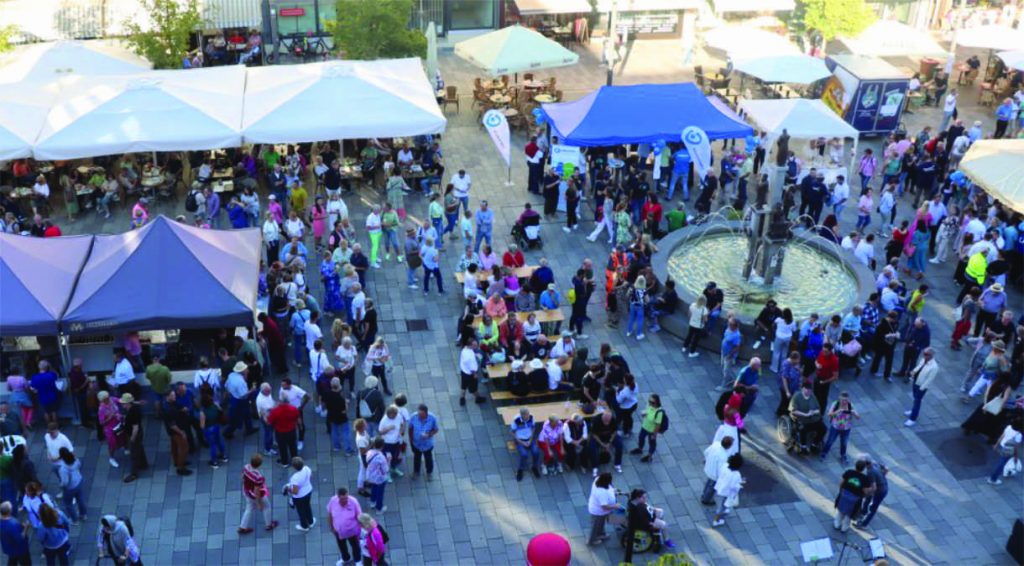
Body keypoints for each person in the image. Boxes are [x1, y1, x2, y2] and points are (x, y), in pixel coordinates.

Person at [239, 454, 278, 534]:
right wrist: (258, 503)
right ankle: (269, 525)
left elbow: (242, 477)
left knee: (249, 508)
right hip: (255, 495)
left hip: (247, 491)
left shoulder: (246, 467)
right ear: (259, 465)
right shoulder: (258, 477)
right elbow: (257, 491)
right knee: (267, 507)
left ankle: (243, 527)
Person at [834, 460, 875, 532]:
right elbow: (865, 491)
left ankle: (837, 524)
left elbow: (841, 483)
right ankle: (844, 528)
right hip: (855, 499)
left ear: (855, 465)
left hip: (844, 495)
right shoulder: (865, 478)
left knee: (840, 510)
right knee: (849, 514)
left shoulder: (849, 472)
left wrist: (841, 492)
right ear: (863, 469)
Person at [819, 392, 860, 465]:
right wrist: (838, 411)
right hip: (835, 427)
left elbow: (858, 417)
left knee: (844, 443)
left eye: (846, 400)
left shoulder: (850, 405)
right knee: (830, 441)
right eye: (843, 400)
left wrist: (854, 413)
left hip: (846, 428)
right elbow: (829, 414)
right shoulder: (835, 404)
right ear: (839, 399)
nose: (844, 402)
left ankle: (843, 455)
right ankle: (824, 453)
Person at [327, 487, 363, 565]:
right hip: (338, 531)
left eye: (346, 498)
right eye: (342, 499)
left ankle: (358, 560)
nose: (345, 501)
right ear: (338, 497)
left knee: (355, 546)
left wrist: (360, 531)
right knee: (341, 546)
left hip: (352, 531)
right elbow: (330, 515)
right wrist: (332, 528)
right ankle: (346, 558)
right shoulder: (333, 501)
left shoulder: (354, 502)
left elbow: (360, 517)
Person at [904, 348, 938, 427]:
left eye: (926, 354)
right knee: (915, 398)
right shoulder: (923, 359)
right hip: (916, 381)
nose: (924, 355)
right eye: (924, 353)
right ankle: (913, 411)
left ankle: (912, 419)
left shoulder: (934, 367)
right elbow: (919, 366)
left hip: (921, 386)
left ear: (931, 355)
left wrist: (921, 388)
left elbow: (929, 380)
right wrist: (913, 372)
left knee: (917, 401)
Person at [789, 382, 824, 454]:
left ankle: (814, 444)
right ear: (802, 389)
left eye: (810, 390)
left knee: (823, 429)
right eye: (806, 390)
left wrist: (813, 412)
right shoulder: (797, 396)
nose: (808, 392)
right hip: (802, 419)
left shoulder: (812, 396)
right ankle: (803, 447)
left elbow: (818, 409)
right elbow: (793, 411)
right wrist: (805, 415)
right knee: (803, 430)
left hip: (813, 418)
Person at [267, 390, 301, 466]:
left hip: (280, 432)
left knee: (282, 447)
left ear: (280, 401)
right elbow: (297, 418)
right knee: (293, 446)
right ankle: (295, 461)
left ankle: (285, 462)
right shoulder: (293, 409)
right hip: (291, 430)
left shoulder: (275, 411)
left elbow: (269, 422)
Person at [586, 472, 620, 546]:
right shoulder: (601, 492)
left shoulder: (598, 480)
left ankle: (601, 534)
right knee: (595, 526)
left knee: (601, 523)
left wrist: (613, 491)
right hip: (598, 512)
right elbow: (604, 506)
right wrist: (615, 506)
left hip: (602, 512)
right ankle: (592, 540)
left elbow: (609, 488)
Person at [987, 418, 1023, 486]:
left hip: (1002, 446)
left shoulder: (1008, 427)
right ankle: (993, 479)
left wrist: (996, 445)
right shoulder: (1019, 435)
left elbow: (1001, 436)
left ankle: (1002, 473)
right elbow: (1016, 448)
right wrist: (1016, 457)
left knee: (1002, 461)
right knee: (1001, 464)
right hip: (1009, 450)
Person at [711, 454, 744, 527]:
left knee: (720, 502)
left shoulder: (725, 466)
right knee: (722, 507)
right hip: (726, 493)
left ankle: (721, 513)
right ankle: (716, 520)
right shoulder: (736, 475)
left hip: (719, 487)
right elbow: (734, 486)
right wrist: (740, 484)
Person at [631, 394, 665, 463]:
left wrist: (654, 434)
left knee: (652, 443)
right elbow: (647, 412)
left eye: (652, 402)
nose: (650, 403)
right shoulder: (649, 405)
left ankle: (649, 456)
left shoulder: (659, 412)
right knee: (641, 437)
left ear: (656, 402)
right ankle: (640, 449)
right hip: (645, 426)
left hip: (652, 430)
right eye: (649, 401)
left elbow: (658, 425)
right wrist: (645, 414)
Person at [56, 448, 86, 524]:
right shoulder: (75, 460)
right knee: (80, 499)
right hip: (79, 481)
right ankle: (83, 515)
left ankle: (75, 520)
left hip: (70, 488)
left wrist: (61, 485)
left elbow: (65, 482)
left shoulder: (63, 469)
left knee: (68, 504)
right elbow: (80, 465)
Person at [701, 436, 734, 505]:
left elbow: (706, 452)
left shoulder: (716, 444)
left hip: (709, 467)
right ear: (728, 446)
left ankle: (704, 494)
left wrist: (706, 459)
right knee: (712, 487)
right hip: (714, 474)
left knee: (708, 482)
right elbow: (721, 469)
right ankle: (706, 499)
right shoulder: (723, 456)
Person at [589, 411, 624, 476]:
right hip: (598, 437)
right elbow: (594, 434)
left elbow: (614, 432)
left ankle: (617, 464)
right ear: (602, 418)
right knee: (592, 449)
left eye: (608, 421)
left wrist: (609, 442)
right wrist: (602, 444)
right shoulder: (596, 420)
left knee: (620, 445)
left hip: (609, 436)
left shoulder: (613, 419)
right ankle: (595, 467)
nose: (606, 423)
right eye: (605, 421)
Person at [286, 457, 315, 532]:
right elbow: (311, 477)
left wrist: (288, 489)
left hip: (299, 497)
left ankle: (304, 526)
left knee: (301, 510)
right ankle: (311, 521)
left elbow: (295, 491)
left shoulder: (295, 478)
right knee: (307, 506)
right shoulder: (307, 468)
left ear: (294, 467)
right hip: (308, 491)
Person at [198, 393, 227, 469]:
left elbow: (202, 425)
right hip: (216, 426)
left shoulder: (202, 412)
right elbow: (220, 410)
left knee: (212, 445)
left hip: (209, 429)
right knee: (219, 441)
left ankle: (214, 462)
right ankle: (223, 456)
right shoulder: (215, 405)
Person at [97, 391, 124, 469]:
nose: (108, 398)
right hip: (110, 429)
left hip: (118, 424)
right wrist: (109, 418)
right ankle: (111, 458)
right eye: (106, 398)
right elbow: (101, 423)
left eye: (108, 396)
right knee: (112, 444)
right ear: (102, 400)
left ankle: (125, 447)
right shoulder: (101, 409)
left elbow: (121, 400)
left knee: (122, 437)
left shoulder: (112, 399)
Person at [0, 501, 30, 566]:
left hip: (8, 547)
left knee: (12, 561)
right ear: (9, 511)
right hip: (20, 549)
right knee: (26, 563)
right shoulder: (12, 524)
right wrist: (25, 528)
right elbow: (20, 538)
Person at [364, 438, 390, 512]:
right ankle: (379, 508)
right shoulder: (381, 457)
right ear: (382, 446)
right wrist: (388, 460)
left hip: (370, 475)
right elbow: (386, 469)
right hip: (379, 477)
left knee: (373, 488)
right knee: (380, 492)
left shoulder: (369, 452)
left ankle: (372, 502)